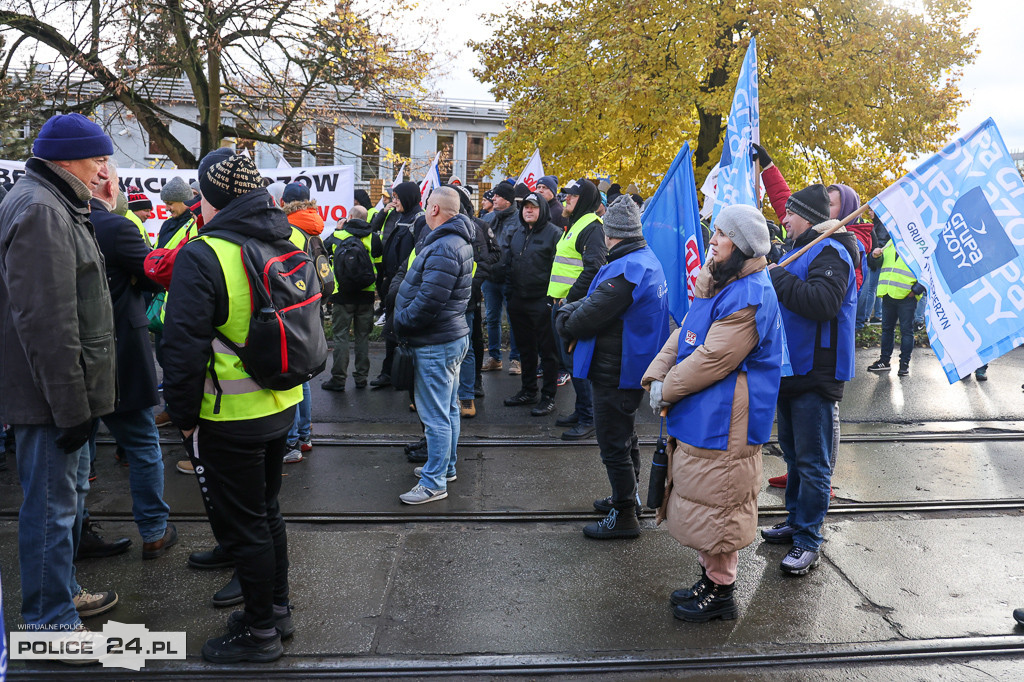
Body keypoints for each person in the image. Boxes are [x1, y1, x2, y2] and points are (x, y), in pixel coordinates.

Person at [162, 149, 303, 663]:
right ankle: (277, 610)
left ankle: (260, 633)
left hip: (229, 415)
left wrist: (182, 417)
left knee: (244, 524)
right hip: (282, 400)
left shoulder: (205, 253)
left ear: (213, 195)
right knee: (266, 512)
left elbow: (182, 349)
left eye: (200, 192)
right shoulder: (281, 236)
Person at [0, 113, 119, 635]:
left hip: (55, 390)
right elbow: (48, 322)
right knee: (51, 509)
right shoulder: (43, 211)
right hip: (50, 395)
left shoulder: (49, 201)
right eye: (97, 159)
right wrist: (71, 407)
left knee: (60, 503)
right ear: (68, 159)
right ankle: (50, 621)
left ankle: (62, 595)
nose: (102, 170)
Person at [641, 204, 782, 621]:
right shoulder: (722, 282)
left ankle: (721, 593)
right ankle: (710, 579)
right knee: (705, 499)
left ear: (740, 246)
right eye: (714, 232)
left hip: (729, 421)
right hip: (709, 410)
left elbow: (713, 359)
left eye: (721, 235)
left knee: (720, 504)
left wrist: (669, 388)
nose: (712, 241)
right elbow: (687, 333)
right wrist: (656, 375)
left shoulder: (751, 296)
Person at [557, 196, 670, 539]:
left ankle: (624, 517)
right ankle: (628, 499)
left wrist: (563, 316)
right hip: (628, 366)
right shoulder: (643, 259)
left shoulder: (628, 269)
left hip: (616, 370)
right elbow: (595, 302)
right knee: (625, 438)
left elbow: (585, 316)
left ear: (611, 234)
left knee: (613, 444)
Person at [760, 184, 859, 576]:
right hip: (791, 370)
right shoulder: (802, 248)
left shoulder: (832, 250)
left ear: (808, 217)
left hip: (815, 374)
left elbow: (822, 304)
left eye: (790, 213)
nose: (784, 219)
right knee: (794, 454)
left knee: (813, 461)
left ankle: (808, 539)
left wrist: (778, 278)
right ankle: (797, 520)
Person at [87, 162, 177, 559]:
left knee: (76, 455)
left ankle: (77, 534)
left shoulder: (54, 220)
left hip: (68, 360)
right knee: (143, 445)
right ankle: (154, 531)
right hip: (120, 352)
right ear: (107, 187)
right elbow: (154, 273)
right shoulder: (117, 227)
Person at [394, 187, 474, 505]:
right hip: (449, 337)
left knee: (435, 415)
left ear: (436, 210)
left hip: (435, 342)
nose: (424, 209)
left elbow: (429, 301)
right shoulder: (456, 240)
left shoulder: (443, 245)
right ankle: (445, 467)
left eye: (427, 204)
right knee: (449, 408)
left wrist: (402, 319)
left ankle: (433, 482)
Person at [549, 178, 607, 440]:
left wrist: (570, 299)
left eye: (571, 196)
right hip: (564, 305)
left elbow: (593, 268)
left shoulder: (591, 226)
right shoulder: (576, 223)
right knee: (570, 362)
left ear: (583, 199)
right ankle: (581, 409)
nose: (566, 200)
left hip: (572, 306)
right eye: (565, 196)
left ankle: (589, 418)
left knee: (578, 362)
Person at [499, 193, 562, 416]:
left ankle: (548, 397)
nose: (528, 210)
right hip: (518, 300)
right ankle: (528, 391)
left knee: (548, 352)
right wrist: (510, 293)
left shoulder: (554, 234)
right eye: (525, 207)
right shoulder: (518, 233)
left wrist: (550, 300)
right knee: (525, 349)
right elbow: (509, 264)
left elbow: (559, 270)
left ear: (542, 209)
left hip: (542, 302)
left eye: (533, 207)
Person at [322, 204, 382, 393]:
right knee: (362, 337)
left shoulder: (338, 236)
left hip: (342, 296)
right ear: (366, 219)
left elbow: (323, 252)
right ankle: (361, 378)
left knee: (340, 337)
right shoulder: (374, 238)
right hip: (365, 295)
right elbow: (380, 266)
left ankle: (338, 379)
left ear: (348, 217)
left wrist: (337, 230)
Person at [371, 181, 422, 388]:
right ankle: (389, 372)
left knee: (403, 332)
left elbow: (417, 254)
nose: (394, 201)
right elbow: (374, 231)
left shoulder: (419, 220)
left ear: (408, 198)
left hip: (406, 285)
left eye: (397, 197)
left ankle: (407, 377)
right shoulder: (401, 216)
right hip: (393, 283)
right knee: (392, 331)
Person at [866, 226, 924, 377]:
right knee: (887, 329)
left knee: (906, 332)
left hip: (906, 297)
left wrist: (915, 291)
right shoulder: (891, 243)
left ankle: (904, 364)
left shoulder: (918, 247)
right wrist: (874, 256)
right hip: (888, 294)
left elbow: (926, 272)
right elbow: (876, 265)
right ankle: (884, 361)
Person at [481, 181, 521, 374]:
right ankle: (495, 357)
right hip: (490, 277)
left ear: (507, 199)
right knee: (491, 318)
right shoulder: (488, 218)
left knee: (514, 319)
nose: (493, 199)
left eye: (497, 196)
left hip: (510, 278)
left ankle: (515, 359)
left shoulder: (519, 219)